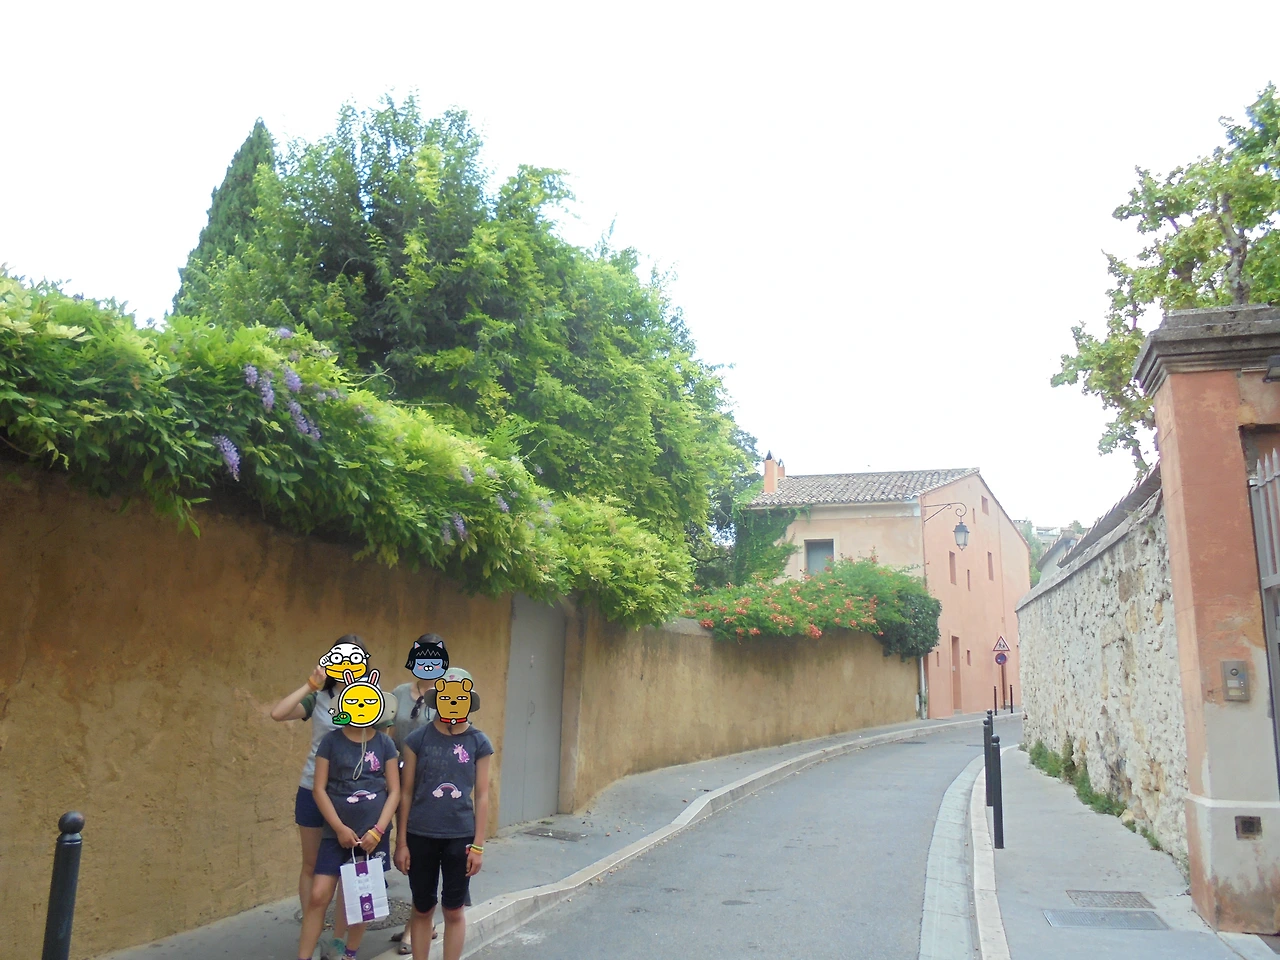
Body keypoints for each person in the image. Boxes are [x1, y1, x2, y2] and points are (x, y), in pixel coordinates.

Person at [271, 635, 383, 960]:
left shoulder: (369, 697)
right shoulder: (318, 697)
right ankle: (313, 928)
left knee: (351, 870)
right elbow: (278, 714)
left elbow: (380, 746)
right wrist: (310, 684)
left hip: (352, 796)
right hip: (312, 788)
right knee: (311, 865)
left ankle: (337, 940)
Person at [296, 670, 400, 960]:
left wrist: (378, 830)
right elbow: (319, 790)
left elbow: (394, 791)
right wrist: (339, 827)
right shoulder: (331, 742)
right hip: (335, 834)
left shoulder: (385, 744)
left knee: (361, 900)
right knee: (319, 895)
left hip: (372, 837)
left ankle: (348, 953)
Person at [395, 668, 492, 960]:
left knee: (453, 909)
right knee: (422, 908)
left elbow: (483, 795)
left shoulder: (478, 742)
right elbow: (406, 791)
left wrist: (478, 845)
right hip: (420, 834)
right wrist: (401, 842)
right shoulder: (417, 739)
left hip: (459, 836)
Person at [386, 635, 450, 954]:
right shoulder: (399, 693)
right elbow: (386, 729)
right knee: (404, 847)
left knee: (421, 852)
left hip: (429, 785)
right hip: (398, 783)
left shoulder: (447, 696)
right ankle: (425, 920)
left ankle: (416, 926)